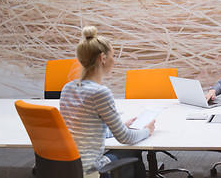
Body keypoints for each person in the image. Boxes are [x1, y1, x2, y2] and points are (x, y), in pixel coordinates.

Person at [60, 26, 155, 178]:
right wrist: (147, 130)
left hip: (67, 167)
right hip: (91, 171)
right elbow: (126, 138)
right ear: (103, 58)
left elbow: (83, 130)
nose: (115, 61)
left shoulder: (67, 88)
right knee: (134, 149)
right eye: (113, 55)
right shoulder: (100, 92)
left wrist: (120, 126)